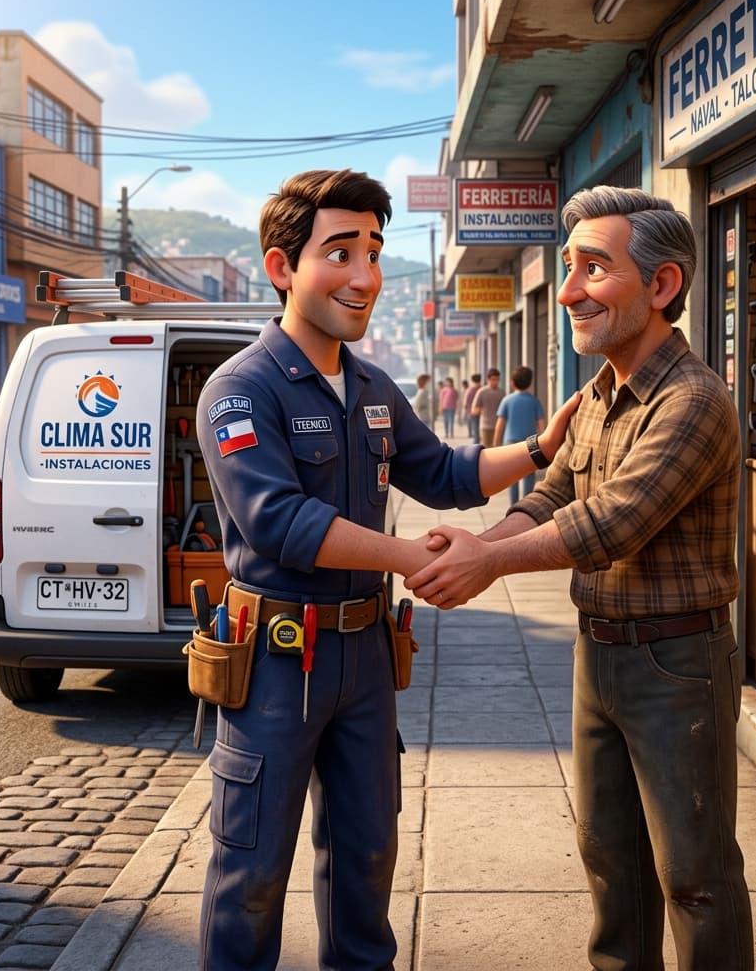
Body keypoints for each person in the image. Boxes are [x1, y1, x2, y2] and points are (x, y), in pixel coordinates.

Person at [194, 168, 578, 971]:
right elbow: (279, 521)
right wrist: (415, 558)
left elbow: (441, 470)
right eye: (340, 252)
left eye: (374, 251)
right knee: (252, 874)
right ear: (281, 267)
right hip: (275, 660)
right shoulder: (240, 389)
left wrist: (544, 448)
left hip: (365, 658)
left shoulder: (371, 385)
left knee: (367, 863)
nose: (365, 275)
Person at [407, 186, 754, 971]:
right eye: (568, 268)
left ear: (662, 286)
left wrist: (485, 560)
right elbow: (556, 494)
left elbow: (613, 524)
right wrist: (480, 544)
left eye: (593, 269)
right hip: (599, 655)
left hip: (677, 666)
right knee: (609, 860)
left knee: (694, 875)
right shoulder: (599, 392)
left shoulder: (694, 400)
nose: (567, 292)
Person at [493, 365, 546, 504]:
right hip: (531, 444)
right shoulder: (534, 401)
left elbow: (500, 424)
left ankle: (513, 506)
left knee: (512, 477)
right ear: (530, 382)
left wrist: (495, 445)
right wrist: (544, 443)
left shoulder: (507, 400)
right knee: (529, 476)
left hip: (510, 443)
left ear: (512, 382)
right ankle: (526, 506)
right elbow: (541, 424)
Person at [471, 367, 504, 446]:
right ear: (488, 379)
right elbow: (474, 410)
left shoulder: (502, 392)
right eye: (493, 379)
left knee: (499, 450)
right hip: (486, 427)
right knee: (487, 450)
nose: (495, 382)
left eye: (497, 379)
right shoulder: (482, 392)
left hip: (499, 427)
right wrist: (480, 409)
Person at [462, 372, 481, 441]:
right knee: (479, 430)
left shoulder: (469, 390)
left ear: (472, 380)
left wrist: (466, 412)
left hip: (472, 412)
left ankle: (476, 445)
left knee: (475, 430)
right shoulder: (482, 389)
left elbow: (465, 403)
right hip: (482, 412)